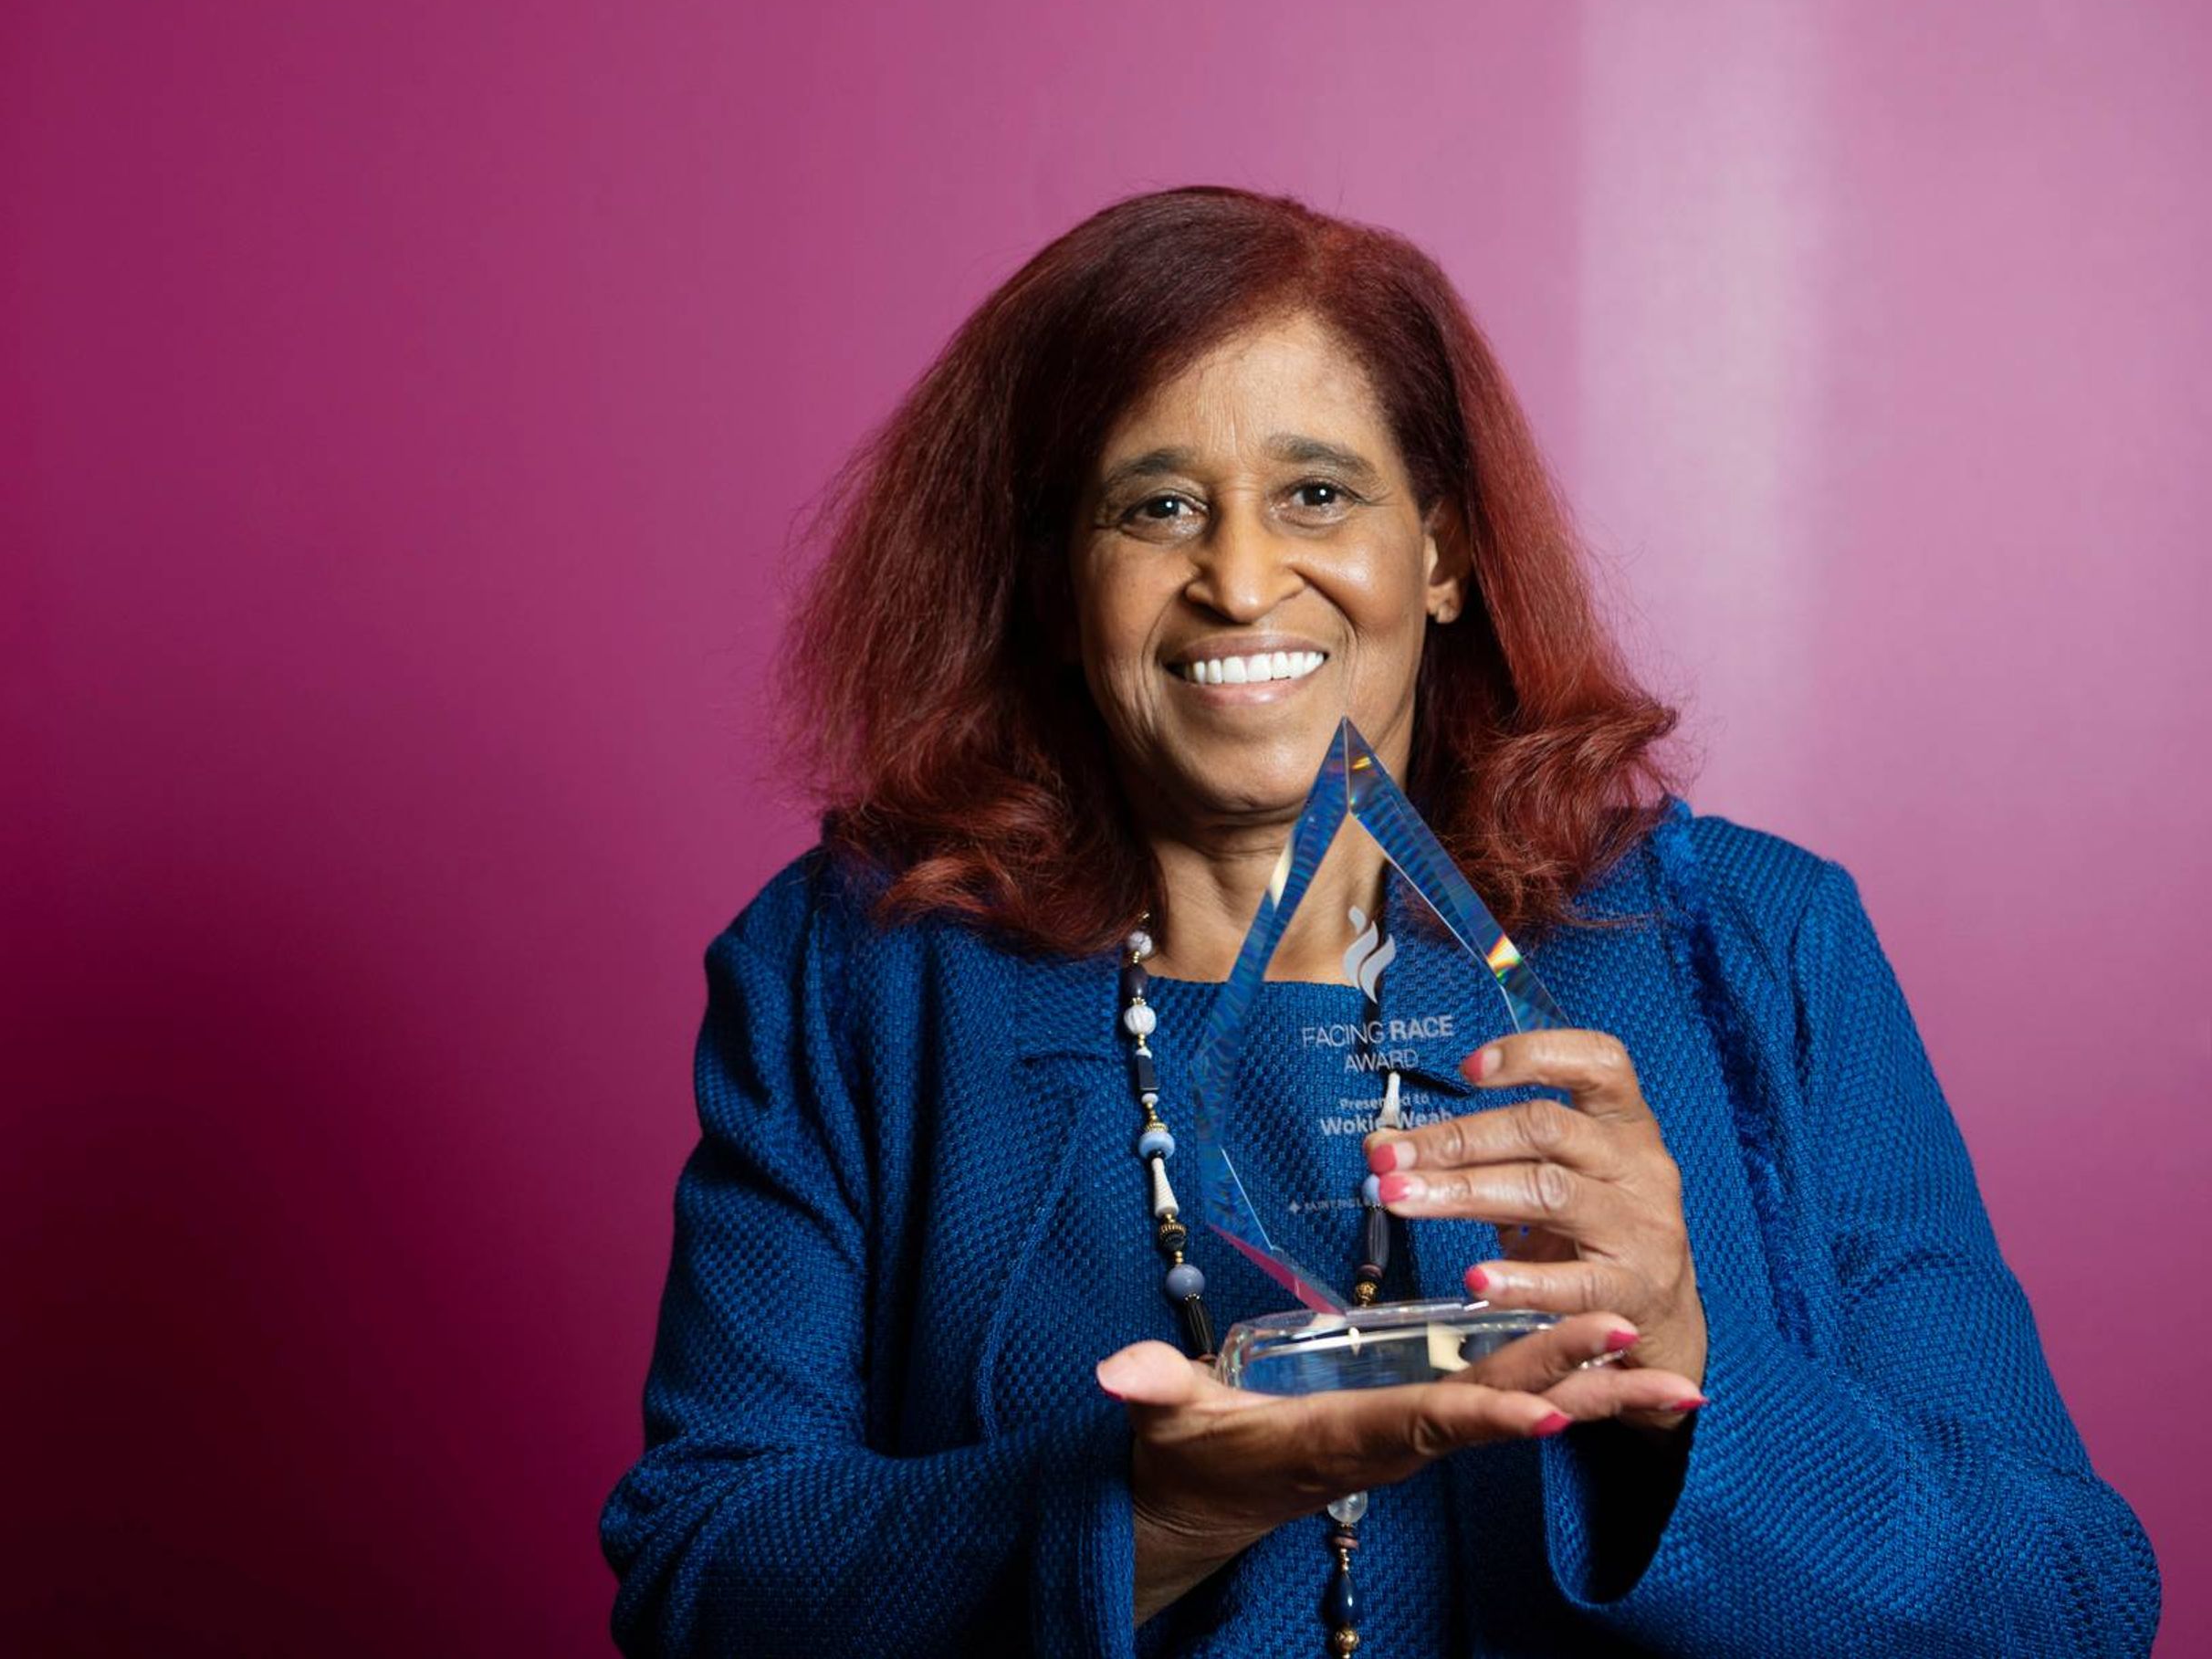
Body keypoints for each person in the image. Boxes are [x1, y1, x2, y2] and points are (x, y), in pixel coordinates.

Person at [599, 187, 2159, 1654]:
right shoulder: (853, 971)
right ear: (1055, 586)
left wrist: (1691, 1374)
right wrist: (1143, 1513)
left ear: (1443, 552)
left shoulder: (1749, 944)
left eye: (1316, 492)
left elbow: (2069, 1599)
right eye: (1153, 506)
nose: (1236, 574)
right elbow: (700, 1573)